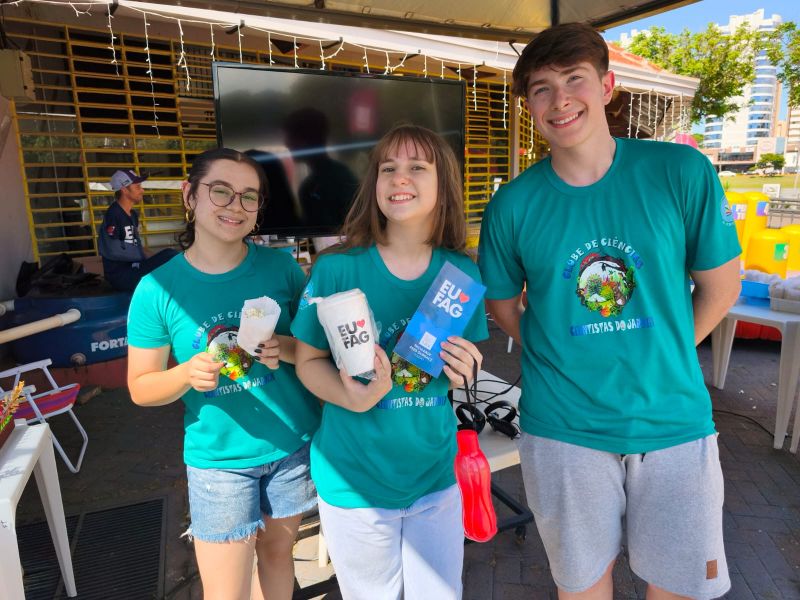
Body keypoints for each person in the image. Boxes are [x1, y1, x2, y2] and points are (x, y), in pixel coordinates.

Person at [478, 23, 741, 600]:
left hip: (673, 424)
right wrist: (565, 353)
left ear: (608, 85)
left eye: (575, 79)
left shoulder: (680, 173)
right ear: (529, 106)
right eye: (542, 88)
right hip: (563, 429)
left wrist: (665, 349)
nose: (560, 99)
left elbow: (721, 287)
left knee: (679, 588)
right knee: (582, 588)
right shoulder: (512, 206)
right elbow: (504, 308)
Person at [291, 124, 488, 600]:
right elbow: (307, 361)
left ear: (444, 184)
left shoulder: (461, 272)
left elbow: (462, 369)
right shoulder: (337, 267)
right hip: (354, 479)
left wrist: (469, 367)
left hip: (434, 477)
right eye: (388, 168)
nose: (400, 178)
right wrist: (350, 398)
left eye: (418, 167)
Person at [126, 148, 321, 600]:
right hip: (220, 464)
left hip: (291, 446)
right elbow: (140, 388)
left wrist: (284, 348)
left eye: (248, 197)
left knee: (278, 556)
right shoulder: (157, 289)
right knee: (226, 591)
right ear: (190, 195)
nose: (235, 206)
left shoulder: (281, 267)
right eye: (221, 192)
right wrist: (185, 375)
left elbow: (313, 350)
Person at [98, 169, 178, 291]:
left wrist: (149, 259)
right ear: (124, 189)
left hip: (135, 269)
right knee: (170, 255)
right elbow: (111, 248)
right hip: (121, 277)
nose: (142, 190)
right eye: (137, 187)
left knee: (173, 257)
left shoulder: (133, 214)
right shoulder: (114, 214)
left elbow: (136, 246)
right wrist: (143, 256)